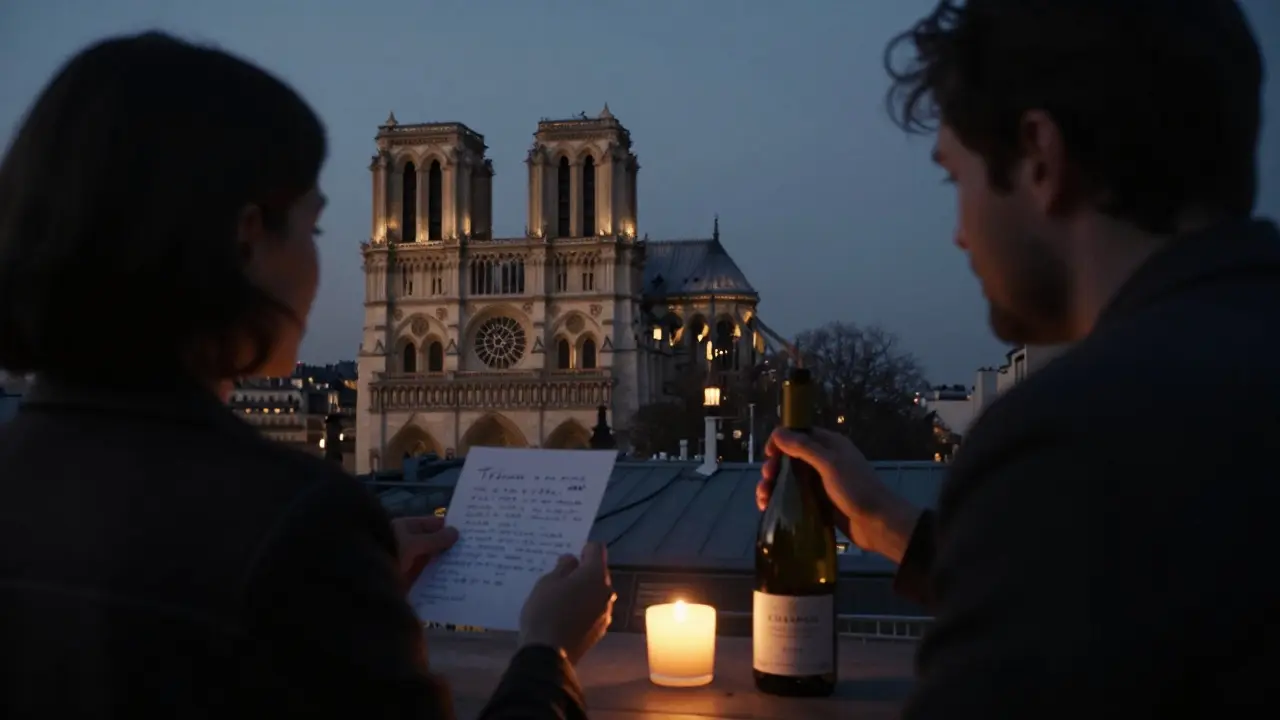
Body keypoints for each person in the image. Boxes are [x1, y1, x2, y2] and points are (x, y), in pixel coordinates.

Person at [0, 32, 614, 718]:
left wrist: (349, 591)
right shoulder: (298, 523)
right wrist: (547, 652)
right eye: (314, 230)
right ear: (246, 239)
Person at [760, 0, 1277, 716]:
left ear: (1039, 158)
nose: (959, 235)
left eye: (955, 179)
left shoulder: (1072, 439)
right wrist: (887, 522)